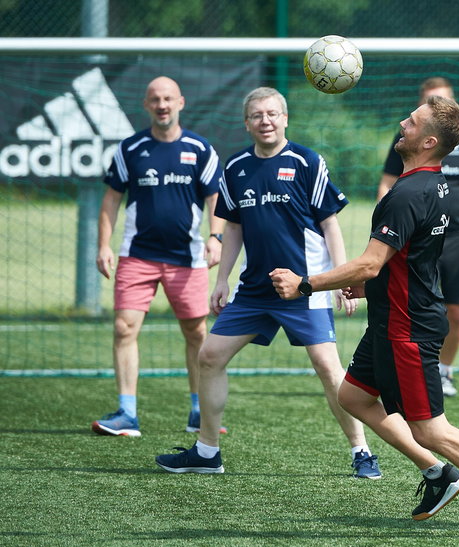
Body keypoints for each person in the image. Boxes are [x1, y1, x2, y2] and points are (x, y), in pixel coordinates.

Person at [271, 95, 459, 540]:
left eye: (412, 121)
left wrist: (305, 283)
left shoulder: (405, 193)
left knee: (429, 428)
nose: (401, 123)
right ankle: (438, 475)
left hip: (408, 328)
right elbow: (406, 258)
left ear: (427, 141)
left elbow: (369, 262)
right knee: (353, 397)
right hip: (391, 319)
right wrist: (374, 284)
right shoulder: (437, 184)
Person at [155, 87, 382, 479]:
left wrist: (340, 279)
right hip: (256, 290)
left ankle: (361, 452)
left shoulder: (307, 162)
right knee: (209, 356)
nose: (266, 121)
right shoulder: (237, 167)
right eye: (258, 115)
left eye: (273, 113)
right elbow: (235, 226)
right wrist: (222, 279)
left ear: (285, 119)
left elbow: (330, 223)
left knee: (328, 369)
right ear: (247, 123)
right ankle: (207, 452)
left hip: (305, 287)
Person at [92, 76, 226, 437]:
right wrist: (103, 245)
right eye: (155, 99)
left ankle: (199, 411)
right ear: (146, 105)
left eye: (168, 98)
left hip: (187, 257)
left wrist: (216, 237)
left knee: (196, 331)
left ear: (180, 102)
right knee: (124, 328)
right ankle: (126, 412)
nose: (162, 105)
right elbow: (110, 201)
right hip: (138, 255)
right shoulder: (130, 149)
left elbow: (216, 199)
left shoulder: (200, 149)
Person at [377, 77, 459, 397]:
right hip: (416, 237)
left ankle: (444, 370)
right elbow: (387, 183)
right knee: (408, 302)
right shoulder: (407, 137)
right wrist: (385, 222)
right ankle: (399, 364)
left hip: (456, 236)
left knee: (455, 310)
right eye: (430, 99)